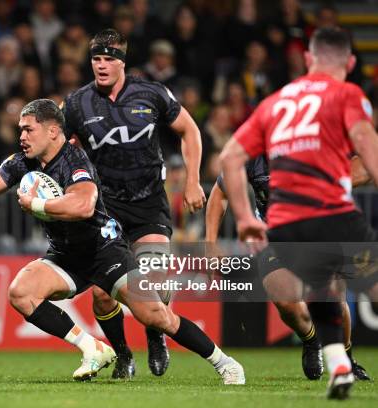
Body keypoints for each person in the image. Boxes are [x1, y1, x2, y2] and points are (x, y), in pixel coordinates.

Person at [0, 98, 245, 384]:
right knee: (20, 292)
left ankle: (224, 363)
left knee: (158, 316)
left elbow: (83, 206)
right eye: (21, 129)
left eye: (28, 129)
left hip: (104, 251)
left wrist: (37, 206)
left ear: (52, 130)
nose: (21, 135)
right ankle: (93, 348)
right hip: (65, 255)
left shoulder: (75, 161)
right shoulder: (21, 162)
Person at [220, 27, 378, 400]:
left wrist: (244, 218)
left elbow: (228, 158)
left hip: (285, 223)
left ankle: (339, 364)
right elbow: (367, 147)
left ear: (308, 60)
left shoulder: (274, 102)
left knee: (323, 290)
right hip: (329, 212)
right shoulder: (347, 94)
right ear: (351, 63)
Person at [62, 28, 206, 378]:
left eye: (109, 59)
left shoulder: (151, 92)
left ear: (122, 62)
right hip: (105, 207)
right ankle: (124, 354)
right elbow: (58, 148)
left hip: (148, 203)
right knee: (101, 293)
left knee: (154, 282)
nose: (101, 65)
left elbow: (190, 130)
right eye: (96, 59)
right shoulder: (77, 103)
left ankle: (156, 333)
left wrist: (192, 180)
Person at [205, 156, 370, 381]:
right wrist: (211, 244)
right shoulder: (250, 151)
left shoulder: (312, 142)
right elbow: (220, 192)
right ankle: (311, 341)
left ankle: (347, 358)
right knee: (285, 300)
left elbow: (363, 168)